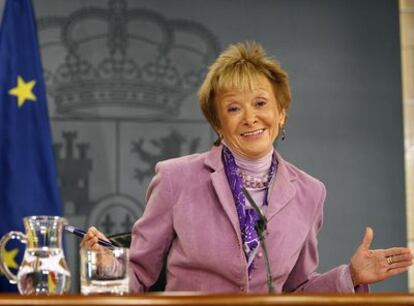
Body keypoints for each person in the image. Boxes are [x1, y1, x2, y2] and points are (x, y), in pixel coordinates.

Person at [81, 41, 413, 293]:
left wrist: (350, 276)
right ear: (218, 123)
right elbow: (139, 274)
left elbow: (296, 291)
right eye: (234, 108)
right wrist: (103, 266)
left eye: (260, 103)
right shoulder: (175, 179)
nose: (250, 117)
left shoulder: (310, 192)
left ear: (281, 113)